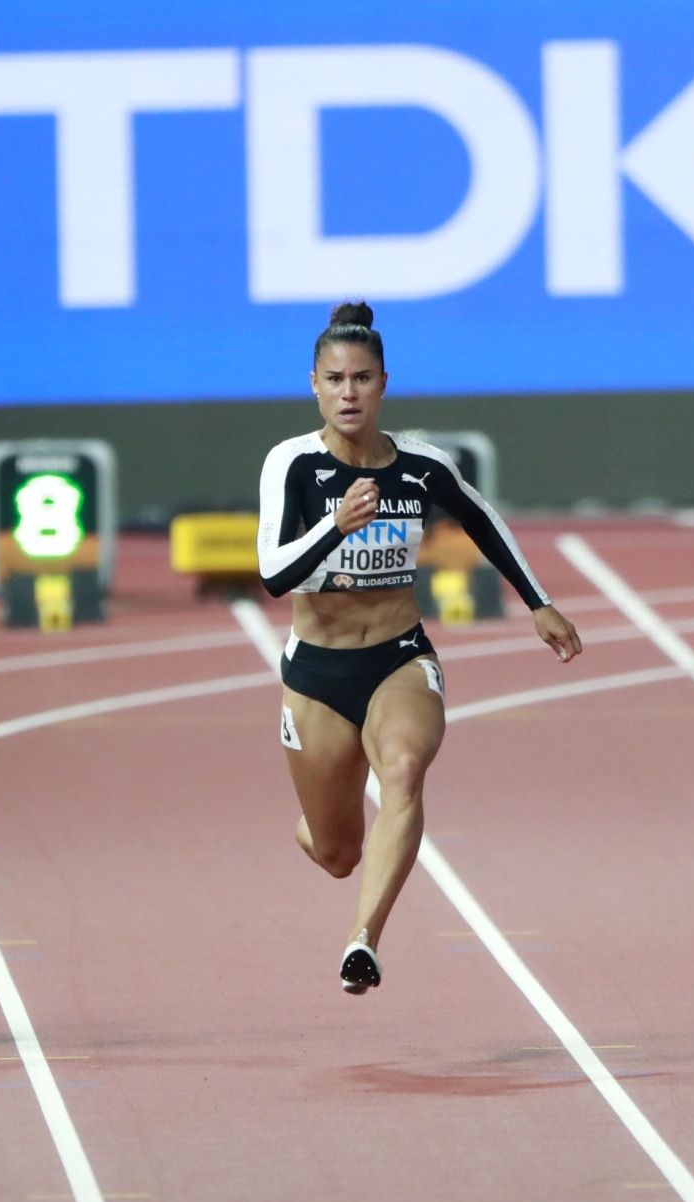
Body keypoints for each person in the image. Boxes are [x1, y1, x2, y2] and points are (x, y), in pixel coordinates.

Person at [256, 302, 582, 994]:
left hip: (399, 657)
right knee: (337, 852)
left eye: (362, 379)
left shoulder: (420, 466)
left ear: (383, 383)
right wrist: (336, 526)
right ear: (314, 385)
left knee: (403, 771)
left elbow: (482, 518)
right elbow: (273, 573)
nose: (349, 393)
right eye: (335, 380)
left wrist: (538, 602)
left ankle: (363, 941)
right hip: (316, 674)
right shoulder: (292, 463)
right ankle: (319, 824)